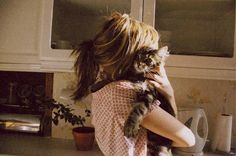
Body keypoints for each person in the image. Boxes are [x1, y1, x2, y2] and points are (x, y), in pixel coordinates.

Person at [72, 12, 195, 156]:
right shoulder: (125, 93)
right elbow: (187, 139)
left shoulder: (103, 89)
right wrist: (169, 93)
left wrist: (168, 93)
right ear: (137, 58)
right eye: (153, 53)